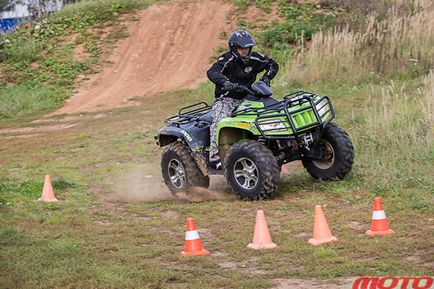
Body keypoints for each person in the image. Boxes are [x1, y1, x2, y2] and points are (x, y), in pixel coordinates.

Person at [207, 29, 279, 169]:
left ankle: (274, 147)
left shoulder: (255, 59)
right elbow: (212, 72)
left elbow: (273, 65)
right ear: (234, 48)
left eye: (247, 48)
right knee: (219, 121)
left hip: (249, 98)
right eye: (241, 49)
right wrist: (226, 83)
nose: (245, 51)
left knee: (269, 113)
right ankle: (216, 158)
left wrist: (266, 78)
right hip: (227, 99)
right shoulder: (227, 59)